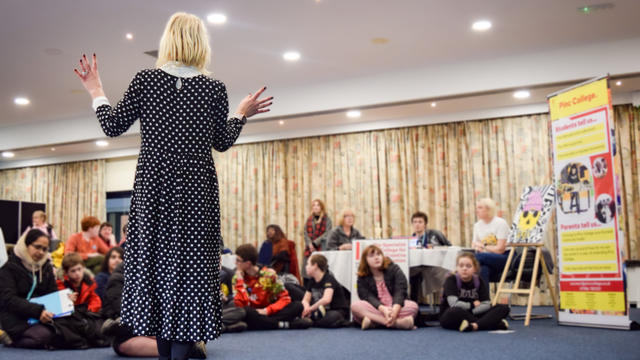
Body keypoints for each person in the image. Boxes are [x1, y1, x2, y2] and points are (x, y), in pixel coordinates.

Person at [74, 11, 272, 359]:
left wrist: (96, 90)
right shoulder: (213, 88)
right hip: (197, 195)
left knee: (159, 275)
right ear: (201, 44)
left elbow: (113, 126)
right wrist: (242, 112)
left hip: (154, 195)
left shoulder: (146, 80)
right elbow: (222, 141)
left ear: (168, 40)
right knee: (190, 277)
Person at [101, 263, 207, 358]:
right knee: (123, 340)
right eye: (113, 257)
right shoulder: (118, 280)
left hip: (147, 323)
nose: (117, 260)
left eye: (120, 257)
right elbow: (120, 307)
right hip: (135, 325)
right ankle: (190, 346)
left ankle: (187, 345)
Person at [0, 229, 57, 348]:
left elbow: (52, 293)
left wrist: (64, 300)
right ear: (26, 245)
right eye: (37, 247)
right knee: (44, 336)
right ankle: (10, 339)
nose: (41, 252)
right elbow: (9, 300)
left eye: (45, 249)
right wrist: (37, 311)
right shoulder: (9, 269)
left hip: (42, 316)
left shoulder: (46, 268)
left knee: (70, 328)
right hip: (15, 317)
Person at [233, 244, 311, 330]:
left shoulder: (268, 275)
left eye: (238, 260)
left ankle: (267, 323)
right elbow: (240, 305)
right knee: (245, 311)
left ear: (248, 263)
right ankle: (288, 325)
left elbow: (285, 298)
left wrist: (266, 310)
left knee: (298, 306)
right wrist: (240, 281)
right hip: (253, 313)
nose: (235, 263)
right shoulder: (237, 278)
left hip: (269, 312)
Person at [351, 245, 418, 330]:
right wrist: (383, 309)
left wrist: (394, 311)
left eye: (378, 254)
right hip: (377, 308)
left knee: (413, 306)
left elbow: (400, 290)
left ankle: (373, 322)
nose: (376, 258)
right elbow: (367, 297)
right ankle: (397, 323)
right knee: (355, 306)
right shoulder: (362, 277)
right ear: (365, 261)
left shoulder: (394, 269)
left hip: (395, 307)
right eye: (372, 256)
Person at [439, 252, 510, 332]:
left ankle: (474, 326)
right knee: (454, 311)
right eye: (461, 266)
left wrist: (472, 311)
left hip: (474, 313)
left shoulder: (479, 280)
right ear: (457, 268)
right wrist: (472, 305)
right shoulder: (451, 280)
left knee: (503, 308)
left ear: (475, 269)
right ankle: (492, 323)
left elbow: (486, 304)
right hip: (453, 314)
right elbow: (454, 304)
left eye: (468, 266)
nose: (464, 269)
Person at [409, 211, 451, 304]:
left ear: (425, 224)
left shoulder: (435, 234)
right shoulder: (411, 239)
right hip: (419, 266)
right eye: (415, 222)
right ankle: (413, 304)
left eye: (420, 222)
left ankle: (445, 303)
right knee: (410, 273)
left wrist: (435, 248)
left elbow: (449, 247)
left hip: (436, 265)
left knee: (445, 275)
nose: (417, 224)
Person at [302, 254, 349, 328]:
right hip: (320, 311)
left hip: (336, 310)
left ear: (315, 266)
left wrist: (310, 309)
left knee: (332, 317)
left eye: (308, 264)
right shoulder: (311, 281)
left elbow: (327, 300)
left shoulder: (329, 279)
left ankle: (314, 321)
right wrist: (306, 308)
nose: (306, 267)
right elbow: (305, 299)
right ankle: (315, 319)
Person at [472, 198, 510, 284]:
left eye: (480, 208)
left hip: (505, 257)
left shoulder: (500, 223)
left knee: (475, 258)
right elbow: (474, 245)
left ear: (489, 209)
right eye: (477, 207)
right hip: (486, 257)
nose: (476, 210)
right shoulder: (477, 226)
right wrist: (481, 247)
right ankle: (484, 297)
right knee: (482, 270)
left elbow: (500, 250)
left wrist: (484, 246)